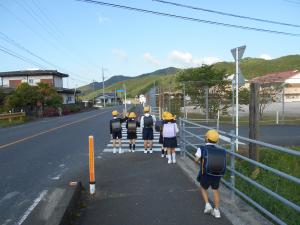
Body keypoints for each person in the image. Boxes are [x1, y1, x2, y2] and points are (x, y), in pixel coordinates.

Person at [194, 129, 226, 218]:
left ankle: (207, 204)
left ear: (206, 138)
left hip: (206, 174)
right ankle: (217, 211)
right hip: (217, 174)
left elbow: (196, 159)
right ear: (217, 140)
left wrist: (199, 161)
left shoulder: (202, 148)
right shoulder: (221, 151)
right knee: (215, 191)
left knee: (203, 188)